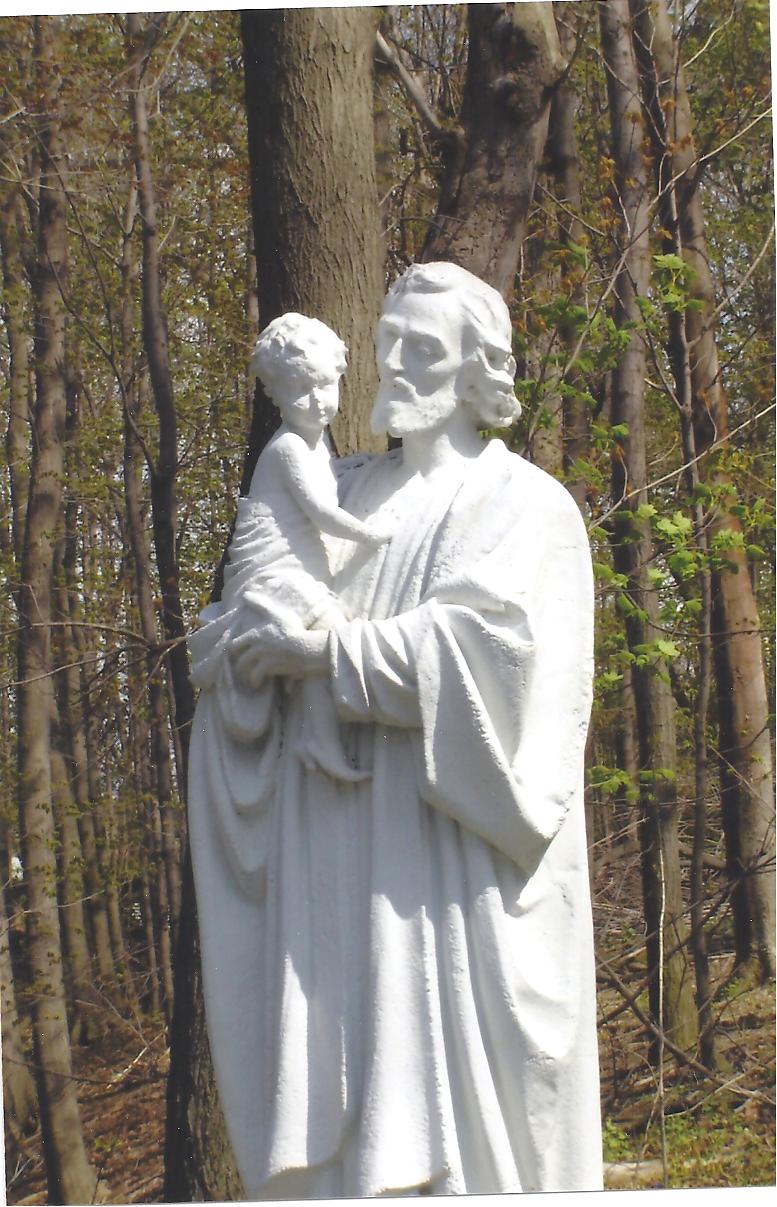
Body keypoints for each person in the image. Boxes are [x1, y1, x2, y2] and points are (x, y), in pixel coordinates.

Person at [188, 262, 602, 1198]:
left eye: (424, 349)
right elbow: (257, 614)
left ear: (472, 371)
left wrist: (322, 654)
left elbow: (483, 657)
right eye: (387, 344)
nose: (394, 365)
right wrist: (243, 663)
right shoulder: (335, 490)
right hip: (332, 867)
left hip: (443, 879)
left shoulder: (525, 506)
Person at [206, 312, 390, 780]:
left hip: (296, 569)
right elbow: (321, 511)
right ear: (275, 395)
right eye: (300, 390)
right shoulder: (288, 447)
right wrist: (371, 534)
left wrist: (355, 469)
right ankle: (319, 739)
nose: (317, 401)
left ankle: (317, 737)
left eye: (326, 385)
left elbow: (327, 483)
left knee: (321, 646)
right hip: (273, 572)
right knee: (328, 635)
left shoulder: (315, 444)